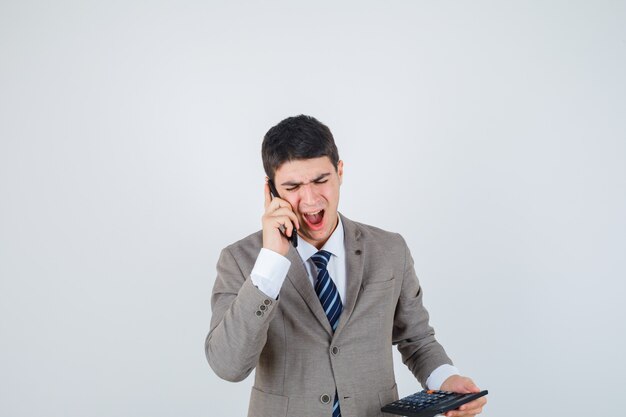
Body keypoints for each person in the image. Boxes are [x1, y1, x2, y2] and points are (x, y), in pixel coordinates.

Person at [205, 115, 487, 417]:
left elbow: (416, 339)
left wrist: (447, 379)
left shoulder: (390, 250)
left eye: (320, 180)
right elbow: (228, 366)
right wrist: (271, 262)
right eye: (293, 186)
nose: (310, 199)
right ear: (271, 190)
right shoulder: (241, 260)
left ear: (339, 171)